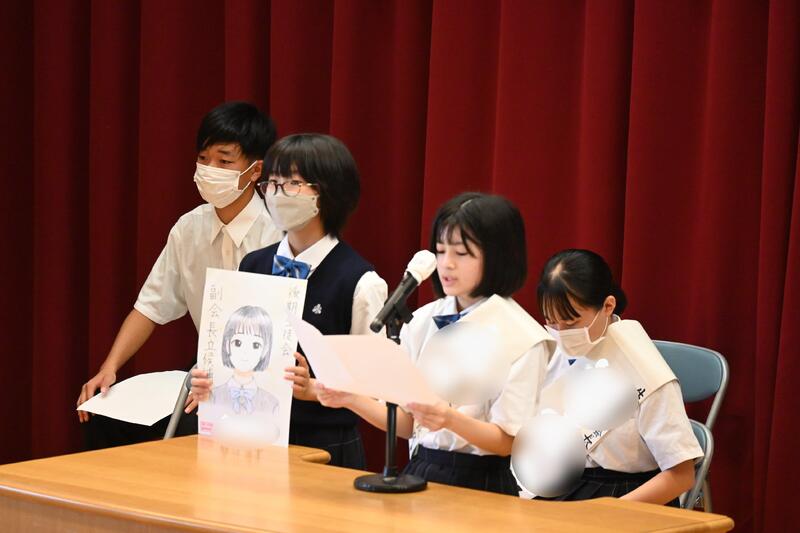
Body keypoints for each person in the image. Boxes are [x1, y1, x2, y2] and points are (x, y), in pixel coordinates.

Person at [316, 192, 553, 494]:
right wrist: (349, 398)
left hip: (482, 480)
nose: (446, 264)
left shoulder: (522, 336)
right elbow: (406, 424)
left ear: (498, 256)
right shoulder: (421, 320)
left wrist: (449, 419)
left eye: (461, 253)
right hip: (421, 468)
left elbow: (508, 442)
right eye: (440, 251)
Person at [78, 101, 281, 449]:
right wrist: (109, 367)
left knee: (192, 432)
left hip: (259, 376)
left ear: (255, 170)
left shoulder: (277, 235)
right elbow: (149, 306)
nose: (210, 169)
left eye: (224, 161)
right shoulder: (189, 228)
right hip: (201, 372)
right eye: (203, 159)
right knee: (103, 414)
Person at [191, 133, 388, 469]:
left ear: (327, 192)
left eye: (293, 184)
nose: (277, 194)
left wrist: (314, 389)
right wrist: (209, 378)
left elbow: (375, 389)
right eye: (272, 183)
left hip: (326, 447)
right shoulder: (253, 264)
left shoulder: (360, 281)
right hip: (249, 439)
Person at [536, 249, 702, 505]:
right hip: (566, 480)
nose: (561, 332)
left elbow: (681, 476)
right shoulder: (558, 352)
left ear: (607, 306)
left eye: (570, 323)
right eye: (551, 322)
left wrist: (612, 510)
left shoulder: (645, 371)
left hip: (627, 494)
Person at [211, 305, 279, 416]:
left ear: (265, 350)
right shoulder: (212, 396)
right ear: (227, 345)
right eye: (238, 343)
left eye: (255, 345)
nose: (245, 352)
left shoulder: (272, 403)